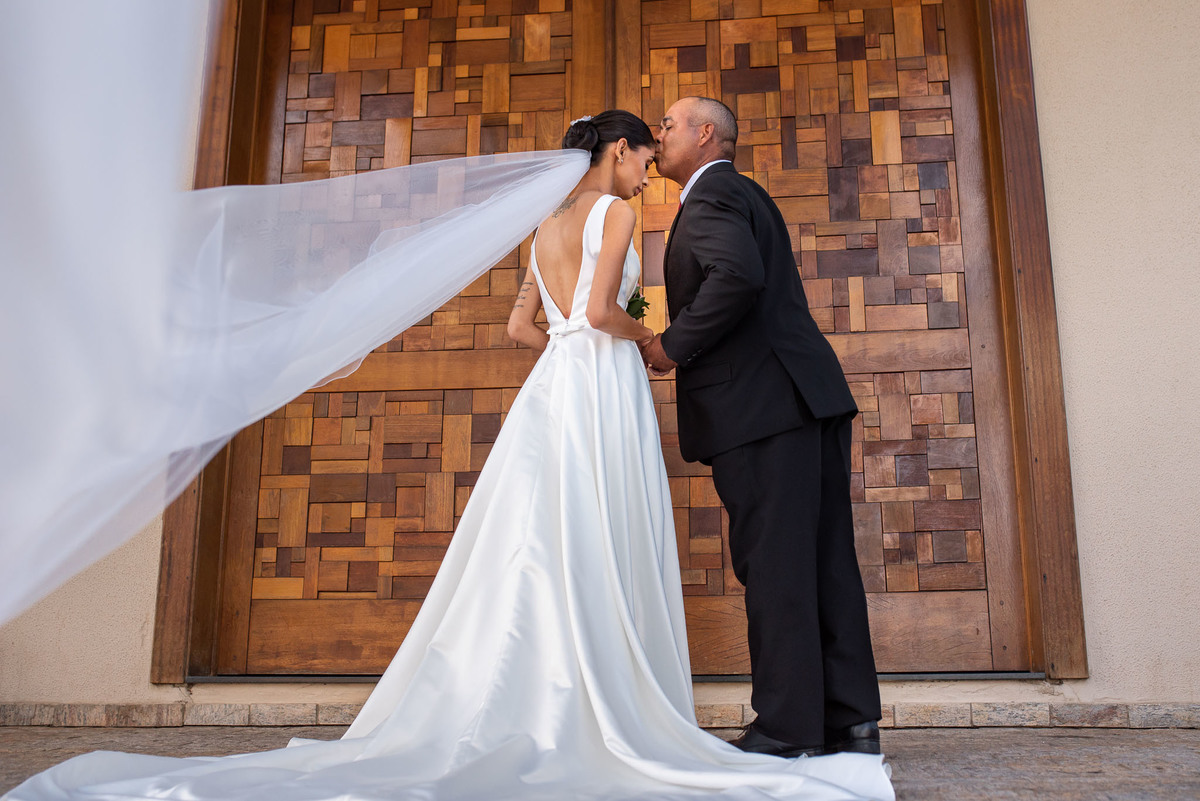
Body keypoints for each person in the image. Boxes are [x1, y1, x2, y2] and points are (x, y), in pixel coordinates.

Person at [3, 111, 891, 801]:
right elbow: (601, 312)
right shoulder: (627, 211)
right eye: (643, 145)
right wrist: (651, 341)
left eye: (668, 133)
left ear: (704, 136)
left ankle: (709, 708)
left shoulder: (546, 222)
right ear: (617, 152)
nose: (651, 156)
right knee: (702, 545)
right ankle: (812, 720)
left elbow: (524, 327)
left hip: (560, 387)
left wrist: (600, 342)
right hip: (616, 384)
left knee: (549, 535)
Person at [643, 96, 884, 758]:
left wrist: (670, 345)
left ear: (706, 134)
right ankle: (850, 722)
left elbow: (737, 275)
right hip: (804, 398)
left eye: (668, 124)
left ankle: (785, 728)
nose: (658, 134)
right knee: (824, 560)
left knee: (775, 566)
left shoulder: (711, 196)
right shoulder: (745, 193)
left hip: (761, 408)